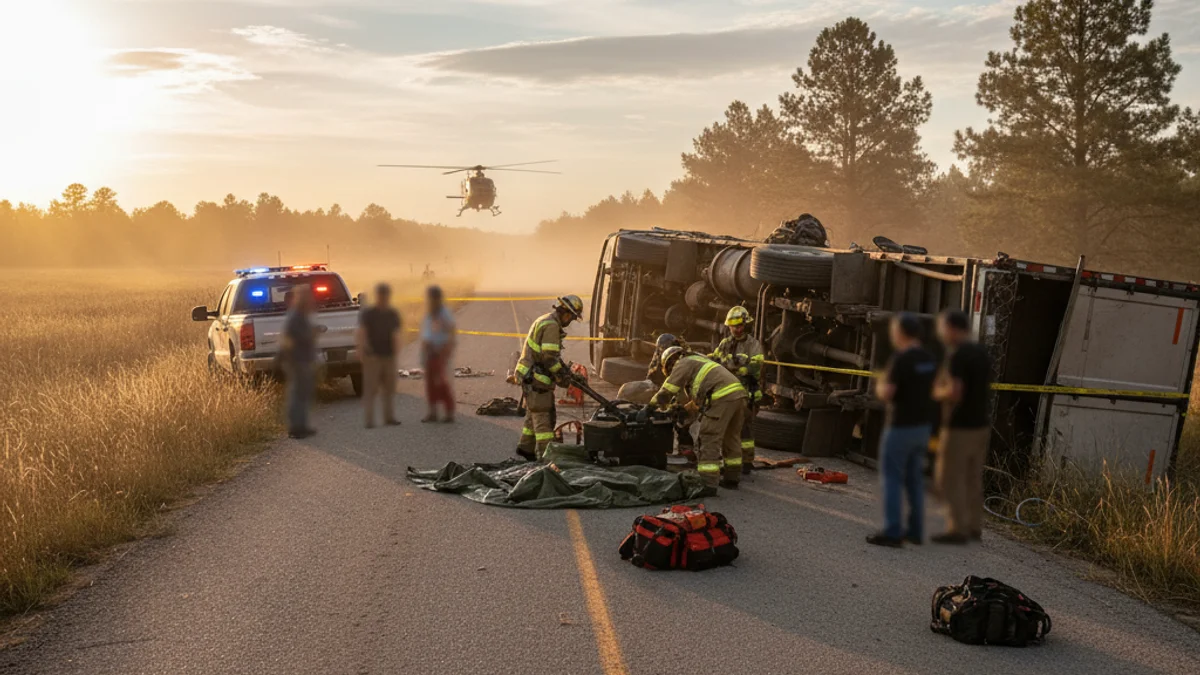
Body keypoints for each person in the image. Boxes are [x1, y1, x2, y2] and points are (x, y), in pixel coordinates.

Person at [867, 313, 937, 547]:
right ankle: (916, 531)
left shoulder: (901, 359)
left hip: (900, 427)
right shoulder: (929, 359)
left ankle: (893, 531)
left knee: (892, 478)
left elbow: (888, 393)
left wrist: (880, 384)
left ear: (901, 333)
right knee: (914, 479)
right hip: (922, 428)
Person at [932, 309, 992, 544]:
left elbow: (955, 392)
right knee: (972, 478)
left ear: (953, 329)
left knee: (948, 477)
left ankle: (956, 528)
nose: (942, 334)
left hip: (959, 426)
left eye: (943, 329)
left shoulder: (958, 355)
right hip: (980, 424)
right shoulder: (982, 353)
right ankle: (973, 527)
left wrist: (937, 392)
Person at [652, 347, 746, 490]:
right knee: (731, 437)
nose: (672, 370)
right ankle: (732, 478)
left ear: (671, 361)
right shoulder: (700, 363)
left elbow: (667, 390)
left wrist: (650, 407)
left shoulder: (683, 362)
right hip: (739, 395)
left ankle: (708, 483)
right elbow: (697, 403)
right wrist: (684, 410)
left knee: (709, 436)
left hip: (721, 397)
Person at [513, 295, 585, 461]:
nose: (571, 321)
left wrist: (567, 373)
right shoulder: (552, 326)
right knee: (543, 418)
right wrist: (563, 377)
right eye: (572, 318)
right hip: (536, 378)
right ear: (566, 313)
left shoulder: (547, 320)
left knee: (534, 414)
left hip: (530, 376)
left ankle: (526, 448)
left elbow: (552, 357)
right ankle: (547, 458)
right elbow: (549, 359)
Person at [710, 306, 765, 474]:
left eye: (740, 326)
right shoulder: (725, 344)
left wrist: (737, 369)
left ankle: (747, 461)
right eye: (734, 326)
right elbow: (715, 359)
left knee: (745, 429)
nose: (737, 329)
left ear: (745, 325)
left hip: (747, 393)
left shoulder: (753, 345)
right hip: (727, 393)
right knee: (729, 428)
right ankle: (731, 460)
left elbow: (756, 367)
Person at [356, 282, 402, 428]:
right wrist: (360, 350)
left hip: (388, 355)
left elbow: (396, 334)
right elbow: (361, 332)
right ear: (378, 296)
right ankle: (369, 420)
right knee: (371, 389)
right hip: (373, 356)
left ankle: (389, 417)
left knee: (389, 388)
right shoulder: (369, 313)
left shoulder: (392, 313)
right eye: (382, 295)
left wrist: (396, 353)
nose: (384, 298)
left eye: (386, 295)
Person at [647, 333, 697, 455]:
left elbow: (672, 388)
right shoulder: (684, 356)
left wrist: (650, 407)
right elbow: (653, 373)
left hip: (699, 396)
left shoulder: (683, 362)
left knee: (686, 420)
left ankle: (691, 451)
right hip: (695, 393)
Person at [282, 285, 319, 439]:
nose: (310, 299)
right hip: (297, 360)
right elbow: (290, 340)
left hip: (303, 359)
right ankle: (295, 428)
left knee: (303, 394)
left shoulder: (301, 315)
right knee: (298, 395)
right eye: (306, 296)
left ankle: (302, 426)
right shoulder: (295, 316)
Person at [420, 285, 457, 423]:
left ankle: (449, 412)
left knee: (441, 383)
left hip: (440, 350)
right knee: (430, 384)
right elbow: (427, 333)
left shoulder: (443, 313)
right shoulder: (430, 313)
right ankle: (433, 412)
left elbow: (451, 331)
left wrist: (447, 349)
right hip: (430, 350)